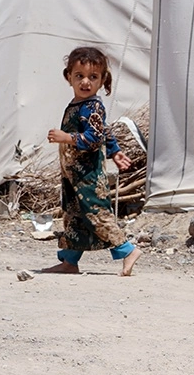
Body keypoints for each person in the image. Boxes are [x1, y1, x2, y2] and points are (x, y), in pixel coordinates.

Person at [44, 46, 140, 276]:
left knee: (96, 213)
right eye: (79, 76)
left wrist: (66, 137)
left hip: (87, 175)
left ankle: (127, 251)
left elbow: (94, 137)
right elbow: (104, 131)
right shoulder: (78, 105)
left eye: (93, 77)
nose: (86, 82)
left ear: (102, 80)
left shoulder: (93, 106)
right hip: (73, 174)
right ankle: (69, 261)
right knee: (74, 215)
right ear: (69, 77)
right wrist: (115, 151)